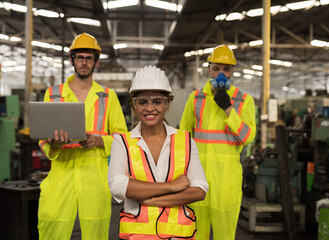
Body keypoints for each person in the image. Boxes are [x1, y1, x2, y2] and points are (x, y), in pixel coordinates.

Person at [37, 32, 127, 240]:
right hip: (61, 173)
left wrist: (99, 140)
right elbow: (42, 137)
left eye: (89, 58)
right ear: (72, 60)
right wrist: (55, 145)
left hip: (94, 174)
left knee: (96, 231)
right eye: (80, 57)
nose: (84, 62)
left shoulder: (107, 96)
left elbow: (123, 138)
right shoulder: (54, 93)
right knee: (52, 227)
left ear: (95, 62)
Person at [108, 65, 208, 240]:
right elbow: (117, 186)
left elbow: (199, 190)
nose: (149, 108)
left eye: (157, 101)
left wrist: (148, 198)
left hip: (178, 236)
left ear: (167, 103)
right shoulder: (122, 142)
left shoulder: (185, 141)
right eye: (142, 102)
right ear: (133, 104)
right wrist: (171, 186)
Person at [180, 45, 256, 240]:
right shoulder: (195, 98)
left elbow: (247, 137)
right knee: (195, 234)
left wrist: (229, 109)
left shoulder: (243, 100)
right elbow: (183, 140)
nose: (221, 74)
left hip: (226, 182)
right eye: (216, 68)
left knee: (225, 235)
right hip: (197, 179)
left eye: (226, 69)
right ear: (209, 69)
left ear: (233, 72)